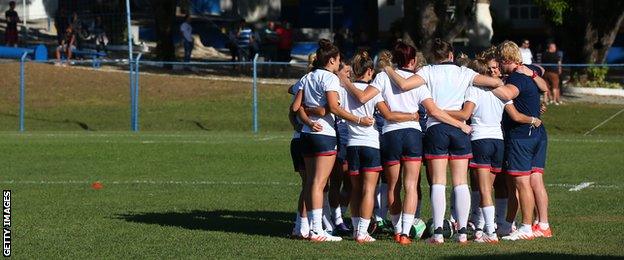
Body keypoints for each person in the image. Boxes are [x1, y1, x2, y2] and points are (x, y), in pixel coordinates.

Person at [339, 41, 474, 245]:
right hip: (412, 135)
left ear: (394, 59)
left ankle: (395, 227)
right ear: (412, 61)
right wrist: (459, 124)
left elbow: (363, 96)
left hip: (390, 135)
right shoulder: (419, 80)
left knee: (392, 186)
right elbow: (435, 111)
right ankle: (404, 233)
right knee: (411, 185)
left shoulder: (384, 76)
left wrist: (345, 81)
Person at [381, 38, 504, 244]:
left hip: (436, 128)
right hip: (459, 129)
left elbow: (403, 84)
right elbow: (496, 82)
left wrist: (388, 69)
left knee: (438, 181)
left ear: (433, 57)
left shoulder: (428, 71)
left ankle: (438, 233)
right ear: (451, 55)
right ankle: (463, 233)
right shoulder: (464, 73)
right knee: (460, 182)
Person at [299, 39, 374, 242]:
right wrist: (358, 119)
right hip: (324, 134)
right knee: (319, 182)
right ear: (332, 60)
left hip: (307, 133)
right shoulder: (330, 78)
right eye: (339, 60)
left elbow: (298, 106)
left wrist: (307, 118)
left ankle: (308, 228)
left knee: (311, 183)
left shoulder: (307, 77)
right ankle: (316, 230)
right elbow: (333, 108)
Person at [492, 40, 552, 241]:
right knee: (534, 180)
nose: (498, 66)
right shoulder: (527, 72)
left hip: (521, 136)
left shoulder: (516, 79)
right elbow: (542, 73)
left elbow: (508, 94)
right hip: (536, 134)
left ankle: (526, 226)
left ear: (506, 59)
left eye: (500, 61)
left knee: (521, 183)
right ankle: (542, 224)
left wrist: (481, 82)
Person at [288, 53, 319, 239]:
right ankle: (302, 227)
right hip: (306, 139)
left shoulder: (304, 81)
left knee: (309, 184)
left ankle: (301, 226)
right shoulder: (311, 81)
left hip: (299, 139)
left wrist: (297, 123)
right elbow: (293, 111)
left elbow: (292, 110)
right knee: (311, 184)